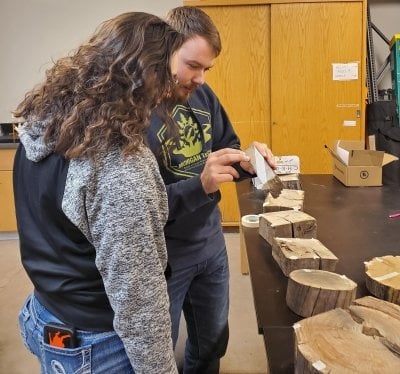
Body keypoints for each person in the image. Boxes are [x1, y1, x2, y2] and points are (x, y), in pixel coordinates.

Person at [13, 12, 185, 374]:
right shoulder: (120, 167)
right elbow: (138, 301)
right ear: (145, 78)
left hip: (44, 312)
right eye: (167, 76)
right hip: (96, 344)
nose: (171, 89)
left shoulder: (42, 125)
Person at [147, 6, 275, 373]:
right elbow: (137, 207)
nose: (200, 78)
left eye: (207, 69)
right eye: (192, 65)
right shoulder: (134, 112)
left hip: (210, 244)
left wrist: (250, 160)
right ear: (164, 50)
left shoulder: (203, 96)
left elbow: (227, 148)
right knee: (158, 354)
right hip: (163, 258)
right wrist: (199, 185)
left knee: (211, 343)